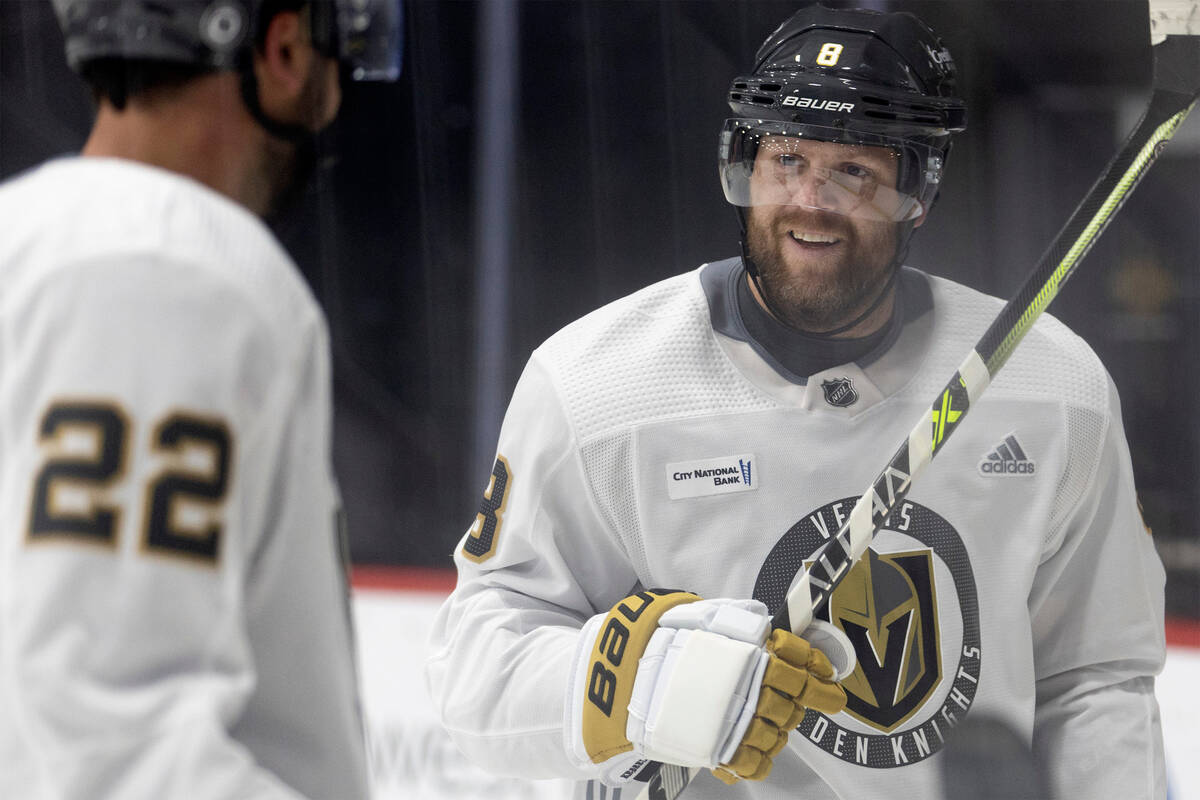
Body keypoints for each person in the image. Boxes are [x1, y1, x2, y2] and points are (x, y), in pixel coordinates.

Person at [426, 4, 1168, 800]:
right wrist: (642, 680)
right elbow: (476, 673)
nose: (809, 199)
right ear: (742, 168)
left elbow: (1097, 679)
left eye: (853, 170)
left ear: (917, 193)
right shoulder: (596, 385)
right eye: (786, 159)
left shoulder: (1050, 387)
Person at [0, 1, 400, 798]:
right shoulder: (169, 266)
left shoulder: (26, 234)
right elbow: (113, 736)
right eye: (334, 40)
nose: (339, 83)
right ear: (282, 45)